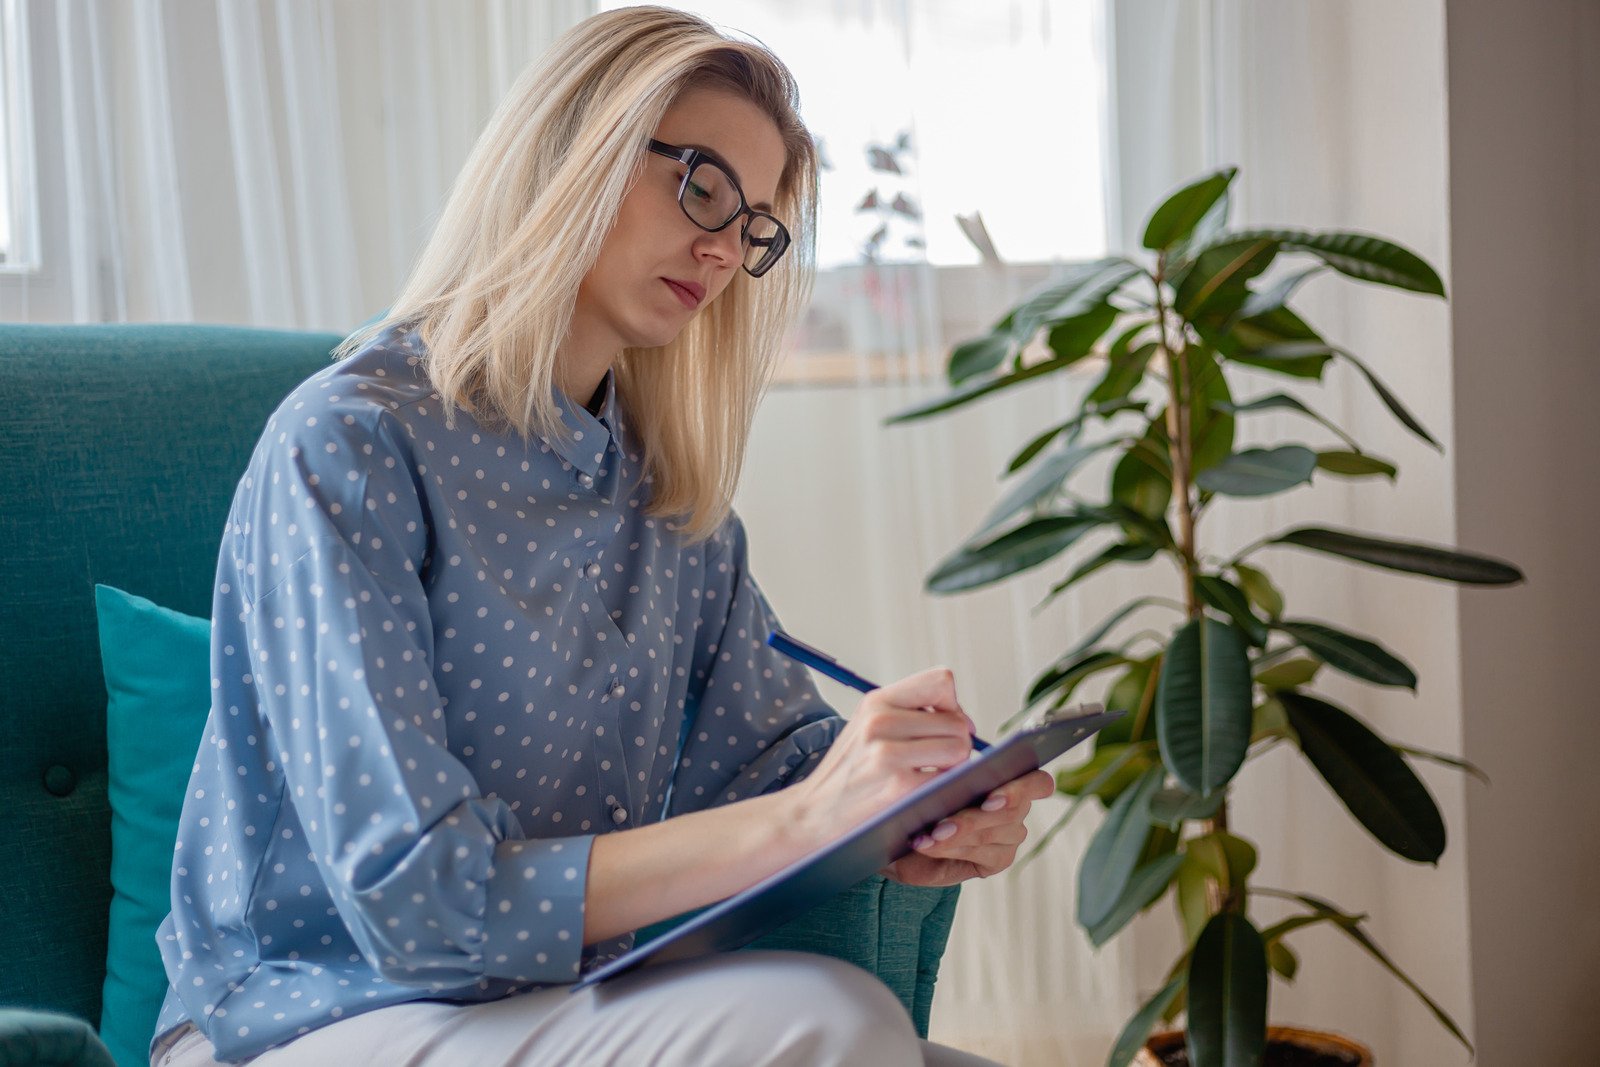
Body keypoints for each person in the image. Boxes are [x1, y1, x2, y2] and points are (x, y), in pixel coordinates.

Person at [149, 7, 1052, 1065]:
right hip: (309, 1014)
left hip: (542, 1004)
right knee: (833, 1019)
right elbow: (419, 903)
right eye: (702, 184)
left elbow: (772, 772)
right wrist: (809, 816)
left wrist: (910, 804)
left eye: (755, 225)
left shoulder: (666, 501)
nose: (723, 248)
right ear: (574, 149)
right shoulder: (351, 443)